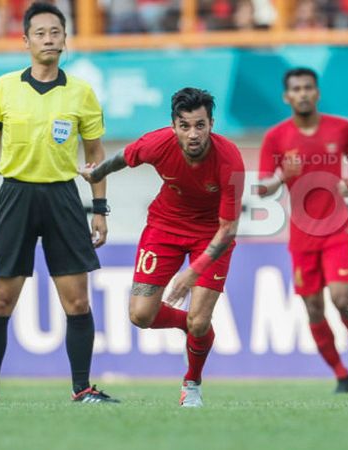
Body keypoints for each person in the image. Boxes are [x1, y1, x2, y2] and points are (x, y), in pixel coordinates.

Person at [0, 2, 116, 404]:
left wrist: (99, 208)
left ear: (66, 39)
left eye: (56, 32)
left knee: (78, 299)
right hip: (15, 194)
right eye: (41, 33)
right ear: (26, 41)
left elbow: (95, 154)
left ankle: (82, 388)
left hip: (63, 196)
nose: (49, 39)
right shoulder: (3, 88)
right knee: (0, 298)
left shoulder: (81, 92)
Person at [80, 88, 244, 408]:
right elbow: (123, 158)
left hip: (211, 236)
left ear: (211, 123)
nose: (193, 134)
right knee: (141, 315)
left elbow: (228, 229)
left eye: (200, 125)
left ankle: (192, 384)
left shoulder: (230, 161)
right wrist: (96, 172)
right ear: (173, 126)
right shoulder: (157, 143)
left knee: (200, 320)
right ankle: (192, 327)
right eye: (185, 126)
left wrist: (191, 274)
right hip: (164, 228)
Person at [257, 68, 348, 393]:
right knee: (313, 308)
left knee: (341, 298)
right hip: (301, 236)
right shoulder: (276, 137)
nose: (303, 93)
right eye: (296, 89)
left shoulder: (341, 127)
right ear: (287, 97)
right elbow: (262, 188)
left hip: (337, 229)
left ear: (317, 93)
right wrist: (281, 177)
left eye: (309, 87)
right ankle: (340, 374)